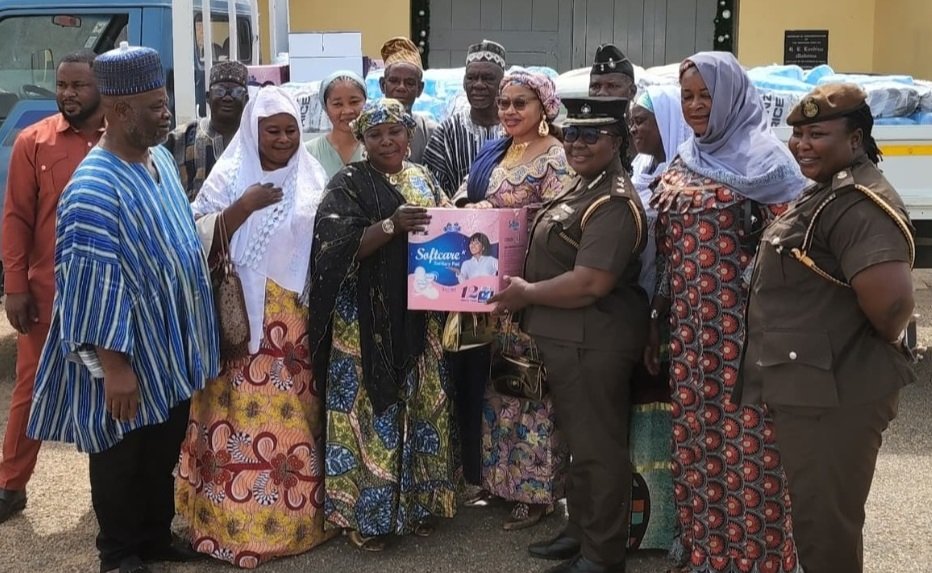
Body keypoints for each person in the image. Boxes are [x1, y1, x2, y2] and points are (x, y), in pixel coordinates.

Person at [26, 42, 219, 573]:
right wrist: (115, 368)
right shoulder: (92, 188)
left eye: (165, 103)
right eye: (155, 107)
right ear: (118, 111)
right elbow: (91, 287)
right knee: (119, 456)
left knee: (160, 450)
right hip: (124, 358)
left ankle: (155, 537)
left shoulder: (156, 157)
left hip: (166, 349)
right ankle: (119, 553)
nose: (166, 115)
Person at [739, 84, 916, 573]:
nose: (802, 144)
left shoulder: (859, 203)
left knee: (827, 529)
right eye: (797, 133)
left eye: (818, 133)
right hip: (816, 386)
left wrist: (863, 346)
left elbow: (894, 303)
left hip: (837, 392)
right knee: (819, 522)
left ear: (856, 139)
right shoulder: (827, 191)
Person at [644, 52, 808, 573]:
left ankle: (755, 560)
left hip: (747, 337)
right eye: (687, 95)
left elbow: (791, 256)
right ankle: (708, 552)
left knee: (752, 451)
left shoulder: (770, 164)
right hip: (692, 337)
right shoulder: (686, 157)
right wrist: (659, 316)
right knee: (697, 441)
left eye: (705, 95)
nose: (695, 106)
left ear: (732, 96)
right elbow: (669, 251)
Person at [174, 87, 333, 568]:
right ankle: (228, 526)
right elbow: (195, 233)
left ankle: (293, 524)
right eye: (273, 131)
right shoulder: (229, 175)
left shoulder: (312, 174)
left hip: (290, 324)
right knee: (234, 418)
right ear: (253, 130)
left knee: (290, 417)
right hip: (238, 319)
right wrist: (244, 206)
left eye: (290, 130)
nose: (283, 139)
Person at [490, 96, 647, 573]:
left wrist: (528, 293)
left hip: (593, 342)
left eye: (591, 135)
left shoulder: (613, 201)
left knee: (599, 451)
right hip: (568, 341)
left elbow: (591, 282)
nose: (577, 144)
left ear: (617, 141)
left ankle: (602, 556)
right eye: (572, 134)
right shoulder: (584, 186)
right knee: (581, 444)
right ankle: (580, 532)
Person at [305, 99, 457, 552]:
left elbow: (449, 226)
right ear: (362, 141)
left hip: (421, 317)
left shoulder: (424, 178)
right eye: (376, 135)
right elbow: (333, 251)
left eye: (395, 132)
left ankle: (417, 506)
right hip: (365, 326)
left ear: (409, 135)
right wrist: (391, 225)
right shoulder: (347, 184)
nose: (387, 141)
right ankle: (366, 516)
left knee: (424, 405)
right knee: (371, 413)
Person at [455, 70, 571, 530]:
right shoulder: (496, 152)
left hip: (533, 290)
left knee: (532, 389)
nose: (508, 111)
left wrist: (503, 216)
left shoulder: (556, 156)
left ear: (543, 106)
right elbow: (467, 195)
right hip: (492, 291)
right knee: (496, 385)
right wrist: (469, 210)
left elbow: (559, 223)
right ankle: (498, 481)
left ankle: (536, 492)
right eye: (504, 103)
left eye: (520, 103)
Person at [0, 50, 105, 525]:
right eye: (62, 85)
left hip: (107, 295)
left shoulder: (120, 141)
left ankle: (114, 496)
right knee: (31, 388)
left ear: (101, 87)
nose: (67, 94)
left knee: (114, 389)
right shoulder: (32, 142)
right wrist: (15, 285)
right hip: (48, 292)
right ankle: (11, 484)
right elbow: (17, 219)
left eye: (78, 85)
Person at [624, 84, 691, 551]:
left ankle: (667, 526)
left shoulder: (684, 175)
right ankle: (642, 526)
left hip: (670, 316)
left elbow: (671, 257)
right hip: (643, 307)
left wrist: (655, 313)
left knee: (666, 419)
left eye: (641, 120)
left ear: (665, 121)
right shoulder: (643, 169)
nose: (634, 129)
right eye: (631, 121)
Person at [423, 40, 507, 195]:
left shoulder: (515, 129)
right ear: (463, 83)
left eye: (488, 78)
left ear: (502, 84)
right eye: (471, 78)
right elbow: (433, 189)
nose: (478, 85)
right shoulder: (447, 132)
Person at [164, 61, 249, 201]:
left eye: (236, 92)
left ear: (246, 99)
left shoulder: (255, 139)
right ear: (208, 97)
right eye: (220, 91)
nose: (227, 97)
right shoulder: (182, 137)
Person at [379, 37, 437, 164]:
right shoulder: (370, 128)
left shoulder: (429, 131)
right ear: (383, 85)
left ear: (420, 89)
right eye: (394, 81)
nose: (401, 87)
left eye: (409, 83)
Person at [305, 70, 366, 178]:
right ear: (325, 108)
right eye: (337, 104)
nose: (347, 111)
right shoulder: (309, 153)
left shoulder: (377, 150)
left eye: (354, 102)